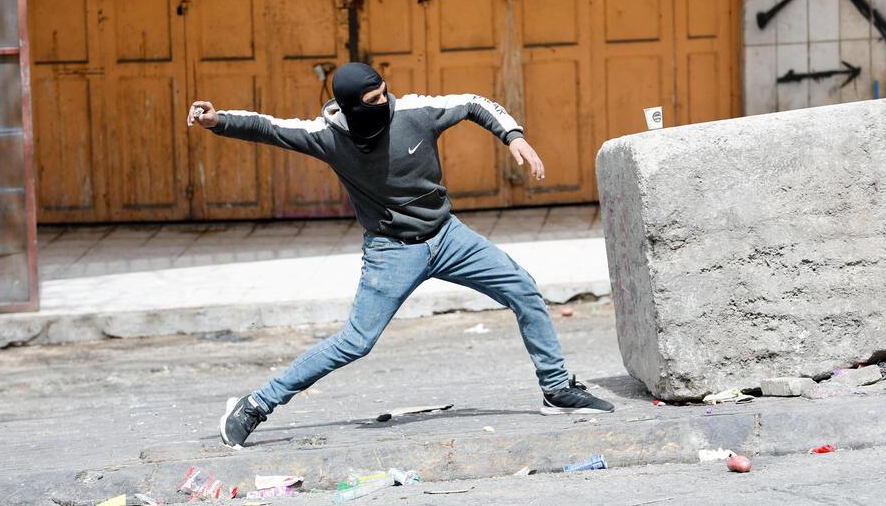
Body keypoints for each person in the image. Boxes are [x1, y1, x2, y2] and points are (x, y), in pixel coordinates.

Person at [188, 62, 614, 449]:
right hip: (391, 251)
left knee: (522, 287)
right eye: (373, 101)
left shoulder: (415, 112)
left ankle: (556, 390)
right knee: (355, 342)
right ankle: (255, 405)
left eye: (385, 94)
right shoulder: (328, 137)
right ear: (350, 106)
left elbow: (474, 103)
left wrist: (514, 136)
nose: (384, 103)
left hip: (447, 237)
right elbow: (267, 127)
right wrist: (217, 120)